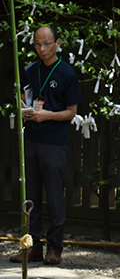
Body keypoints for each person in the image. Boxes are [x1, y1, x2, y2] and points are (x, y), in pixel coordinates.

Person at [11, 25, 82, 266]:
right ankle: (32, 246)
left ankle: (55, 247)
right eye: (37, 44)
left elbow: (71, 112)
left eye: (47, 43)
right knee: (30, 195)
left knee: (54, 196)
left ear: (57, 43)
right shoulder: (29, 70)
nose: (42, 49)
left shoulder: (67, 74)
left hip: (54, 142)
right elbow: (23, 98)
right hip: (31, 138)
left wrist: (48, 115)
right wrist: (24, 108)